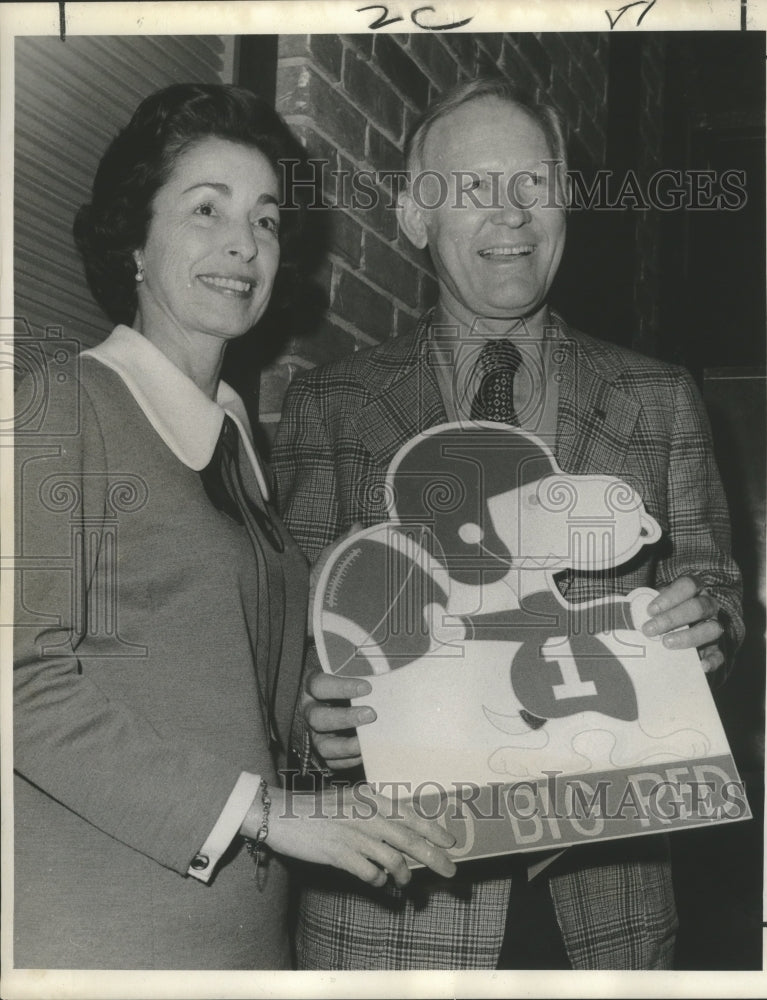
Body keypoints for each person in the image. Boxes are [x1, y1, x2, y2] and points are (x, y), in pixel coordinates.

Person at [271, 78, 745, 969]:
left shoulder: (657, 396)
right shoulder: (329, 405)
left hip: (604, 902)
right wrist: (311, 722)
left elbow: (715, 585)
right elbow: (279, 641)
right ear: (415, 216)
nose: (511, 214)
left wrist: (708, 626)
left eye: (533, 182)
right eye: (473, 187)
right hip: (397, 910)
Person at [12, 83, 456, 971]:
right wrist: (269, 811)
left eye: (265, 220)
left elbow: (221, 695)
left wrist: (317, 725)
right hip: (102, 933)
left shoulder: (238, 449)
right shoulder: (62, 406)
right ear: (134, 240)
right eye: (205, 209)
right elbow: (18, 688)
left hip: (244, 940)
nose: (242, 245)